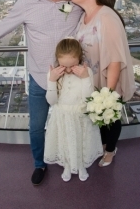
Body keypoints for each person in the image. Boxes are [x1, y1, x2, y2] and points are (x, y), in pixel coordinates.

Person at [0, 0, 83, 185]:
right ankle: (39, 164)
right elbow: (6, 24)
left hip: (69, 79)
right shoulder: (27, 3)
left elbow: (96, 11)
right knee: (36, 126)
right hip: (41, 79)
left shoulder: (76, 3)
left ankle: (69, 157)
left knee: (70, 120)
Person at [72, 0, 136, 167]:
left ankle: (110, 150)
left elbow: (115, 59)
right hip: (92, 79)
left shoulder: (106, 17)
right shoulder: (84, 16)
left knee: (110, 117)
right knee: (98, 118)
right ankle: (102, 145)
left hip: (108, 79)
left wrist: (108, 94)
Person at [44, 38, 103, 182]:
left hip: (80, 115)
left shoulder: (86, 71)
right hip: (62, 116)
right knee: (65, 141)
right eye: (64, 66)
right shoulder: (53, 74)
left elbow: (87, 98)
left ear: (80, 59)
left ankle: (81, 165)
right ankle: (67, 165)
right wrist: (52, 80)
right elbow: (51, 101)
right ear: (58, 61)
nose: (69, 70)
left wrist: (84, 78)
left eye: (73, 65)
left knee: (81, 141)